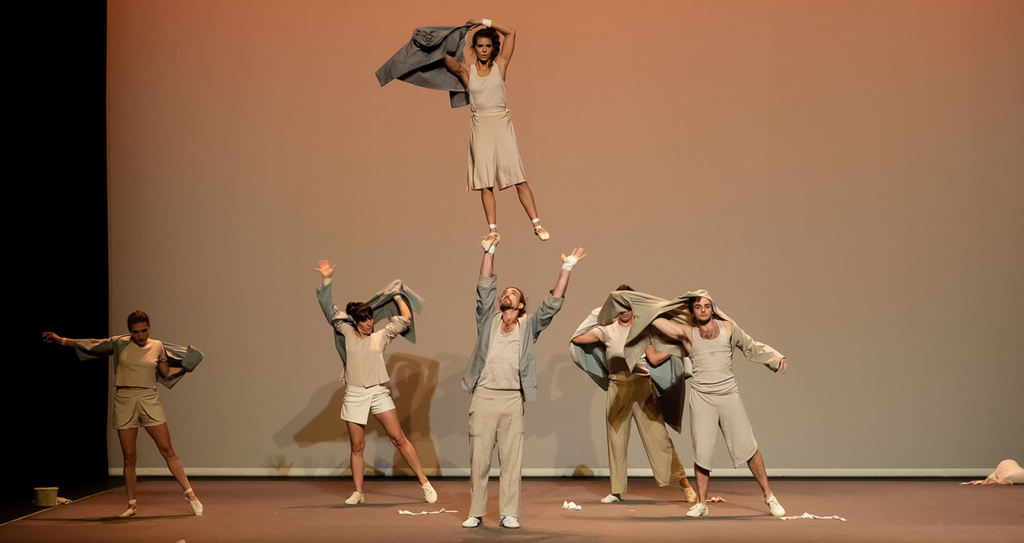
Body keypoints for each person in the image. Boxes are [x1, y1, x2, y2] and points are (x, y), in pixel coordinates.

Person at [460, 235, 585, 529]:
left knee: (511, 461)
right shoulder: (487, 321)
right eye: (505, 292)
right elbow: (484, 289)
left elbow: (552, 305)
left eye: (513, 292)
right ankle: (476, 512)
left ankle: (509, 512)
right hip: (484, 397)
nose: (507, 293)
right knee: (479, 460)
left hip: (512, 399)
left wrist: (566, 269)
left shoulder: (529, 327)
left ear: (521, 304)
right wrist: (489, 251)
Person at [42, 311, 203, 518]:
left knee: (167, 449)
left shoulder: (157, 346)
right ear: (130, 331)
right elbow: (92, 345)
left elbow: (164, 372)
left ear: (149, 327)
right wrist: (61, 340)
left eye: (144, 330)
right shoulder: (119, 343)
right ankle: (131, 505)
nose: (141, 336)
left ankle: (191, 496)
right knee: (129, 456)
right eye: (136, 332)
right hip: (124, 400)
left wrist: (185, 367)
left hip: (149, 399)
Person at [645, 292, 788, 518]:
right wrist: (640, 306)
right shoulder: (687, 333)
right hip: (702, 397)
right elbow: (658, 322)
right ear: (692, 311)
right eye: (698, 306)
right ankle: (702, 503)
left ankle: (769, 496)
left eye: (707, 305)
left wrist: (774, 357)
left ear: (713, 308)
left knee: (748, 447)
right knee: (701, 451)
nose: (703, 309)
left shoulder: (728, 328)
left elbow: (750, 345)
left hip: (728, 394)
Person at [313, 260, 436, 506]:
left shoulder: (381, 336)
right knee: (357, 446)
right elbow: (329, 310)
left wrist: (398, 295)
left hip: (378, 393)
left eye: (371, 318)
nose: (370, 322)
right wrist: (327, 279)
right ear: (355, 321)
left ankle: (425, 483)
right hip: (355, 393)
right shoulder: (346, 331)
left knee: (398, 438)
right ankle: (358, 492)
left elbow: (405, 319)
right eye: (365, 319)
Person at [570, 285, 697, 504]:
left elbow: (654, 359)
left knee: (658, 438)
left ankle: (685, 485)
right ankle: (616, 490)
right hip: (617, 386)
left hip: (641, 385)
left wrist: (675, 347)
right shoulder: (606, 329)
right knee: (616, 440)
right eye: (619, 305)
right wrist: (598, 313)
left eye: (627, 305)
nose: (624, 310)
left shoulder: (641, 327)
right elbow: (578, 339)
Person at [443, 18, 549, 250]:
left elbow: (511, 32)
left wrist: (484, 21)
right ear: (474, 48)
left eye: (487, 46)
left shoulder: (500, 65)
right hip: (480, 125)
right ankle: (492, 230)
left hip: (501, 123)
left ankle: (537, 223)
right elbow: (443, 58)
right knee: (485, 181)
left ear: (493, 48)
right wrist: (451, 35)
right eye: (479, 46)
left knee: (518, 176)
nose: (483, 50)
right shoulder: (466, 71)